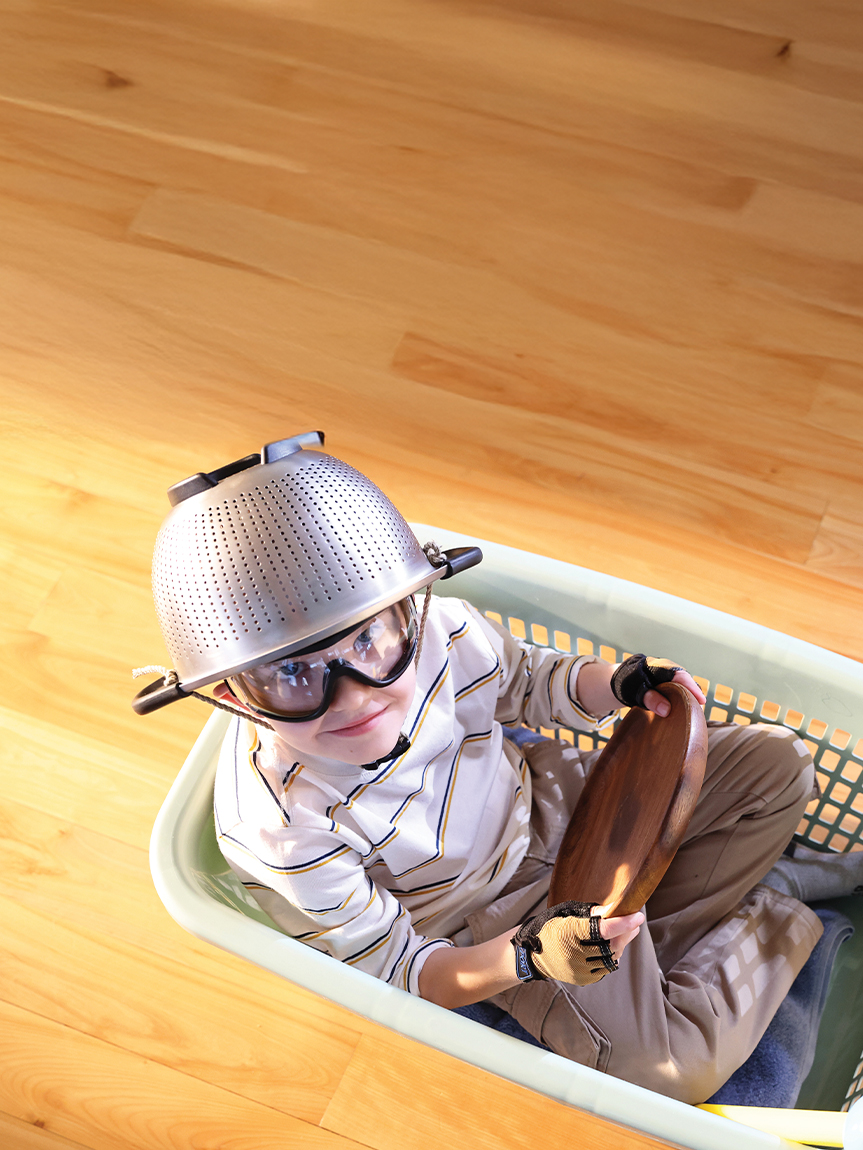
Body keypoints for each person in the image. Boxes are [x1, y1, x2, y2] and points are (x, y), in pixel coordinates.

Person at [135, 432, 826, 1103]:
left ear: (407, 607)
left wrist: (610, 683)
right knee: (670, 1071)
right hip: (483, 922)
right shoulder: (276, 827)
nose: (354, 695)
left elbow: (526, 679)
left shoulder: (441, 630)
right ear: (229, 697)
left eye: (369, 641)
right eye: (290, 674)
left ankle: (654, 948)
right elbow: (401, 970)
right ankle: (772, 910)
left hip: (562, 804)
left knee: (777, 764)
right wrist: (526, 960)